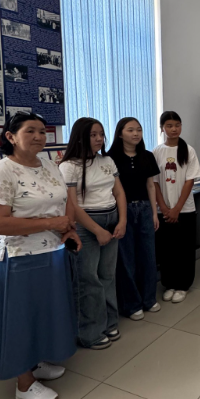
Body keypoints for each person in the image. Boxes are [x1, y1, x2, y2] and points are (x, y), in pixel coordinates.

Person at [0, 112, 81, 399]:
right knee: (21, 317)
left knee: (44, 312)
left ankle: (35, 363)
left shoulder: (50, 166)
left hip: (51, 251)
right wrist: (51, 224)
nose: (39, 136)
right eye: (30, 131)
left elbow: (63, 205)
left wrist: (68, 230)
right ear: (11, 137)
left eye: (42, 131)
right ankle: (24, 383)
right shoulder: (2, 171)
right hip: (18, 256)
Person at [60, 118, 127, 350]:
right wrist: (97, 230)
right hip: (86, 225)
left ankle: (109, 322)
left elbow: (119, 193)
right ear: (80, 137)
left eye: (101, 134)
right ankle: (90, 332)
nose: (99, 139)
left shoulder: (107, 160)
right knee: (88, 279)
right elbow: (72, 205)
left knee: (107, 275)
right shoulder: (69, 166)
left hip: (111, 220)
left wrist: (122, 221)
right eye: (93, 135)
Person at [108, 117, 162, 321]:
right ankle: (131, 304)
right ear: (120, 133)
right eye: (130, 130)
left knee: (148, 256)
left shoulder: (147, 156)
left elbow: (150, 185)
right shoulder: (110, 158)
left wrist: (154, 213)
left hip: (145, 209)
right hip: (123, 212)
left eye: (138, 129)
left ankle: (149, 299)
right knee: (126, 259)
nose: (136, 133)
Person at [154, 111, 200, 303]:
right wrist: (164, 208)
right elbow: (154, 183)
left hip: (185, 210)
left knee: (184, 249)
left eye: (177, 125)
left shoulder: (188, 150)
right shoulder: (157, 151)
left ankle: (183, 285)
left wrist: (176, 209)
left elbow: (190, 181)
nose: (174, 129)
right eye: (169, 125)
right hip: (163, 211)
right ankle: (169, 284)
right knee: (167, 250)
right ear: (162, 128)